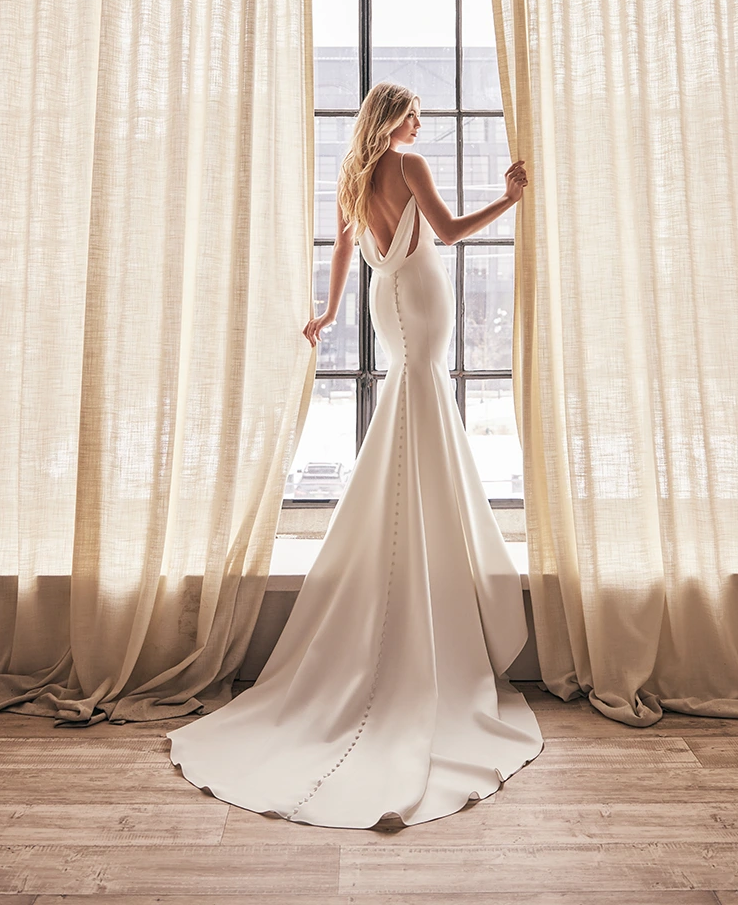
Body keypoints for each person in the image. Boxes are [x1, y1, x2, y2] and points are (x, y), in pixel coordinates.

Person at [168, 82, 543, 829]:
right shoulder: (408, 166)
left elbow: (343, 246)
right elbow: (452, 230)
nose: (419, 125)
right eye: (414, 115)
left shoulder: (352, 175)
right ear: (396, 119)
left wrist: (332, 312)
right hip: (421, 297)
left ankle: (413, 540)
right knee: (423, 400)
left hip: (384, 304)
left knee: (413, 405)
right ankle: (426, 552)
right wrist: (512, 198)